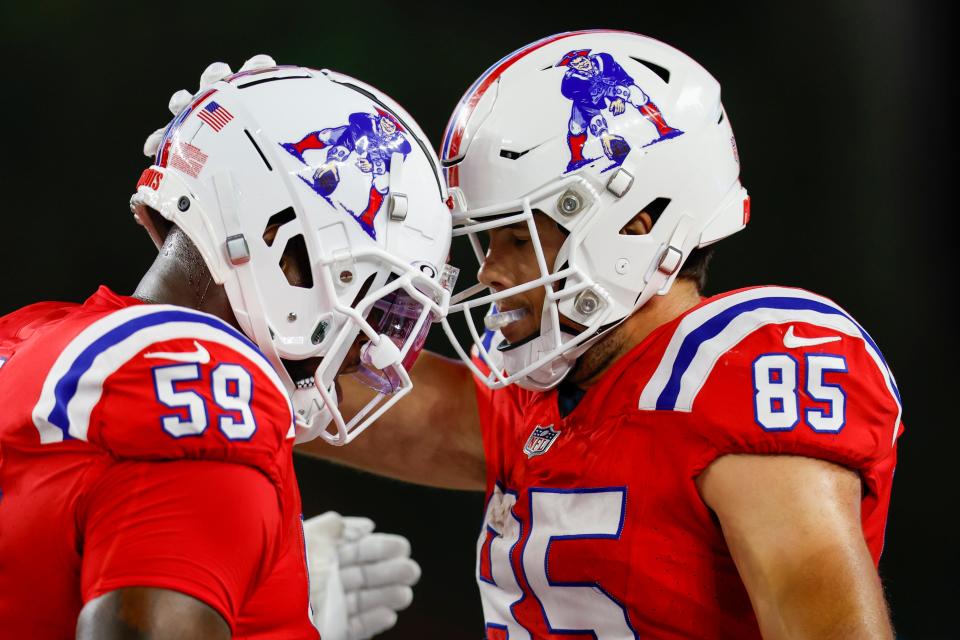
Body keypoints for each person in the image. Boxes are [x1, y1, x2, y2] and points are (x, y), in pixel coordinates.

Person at [300, 31, 903, 638]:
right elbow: (311, 394)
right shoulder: (546, 393)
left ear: (634, 226)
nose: (489, 272)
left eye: (517, 238)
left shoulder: (734, 373)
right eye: (486, 241)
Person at [0, 58, 451, 639]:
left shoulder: (29, 333)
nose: (369, 350)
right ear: (284, 248)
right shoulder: (205, 389)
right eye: (374, 303)